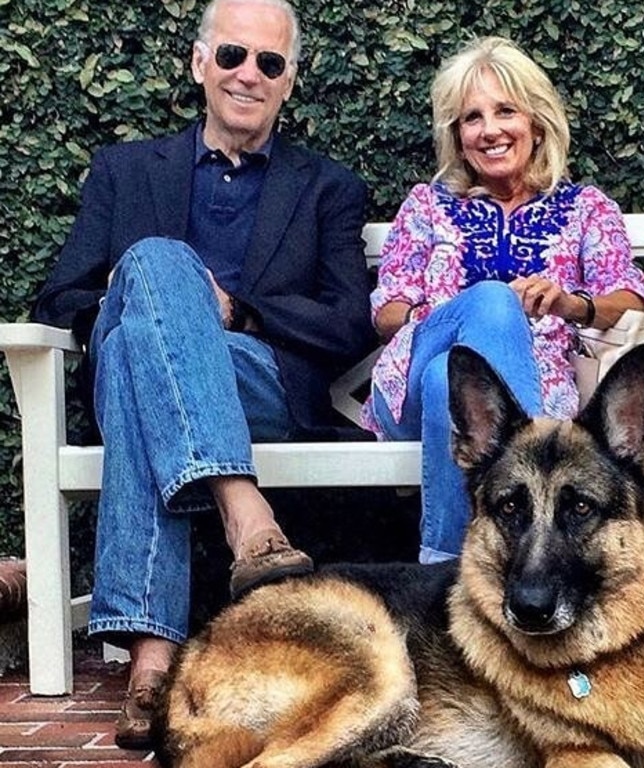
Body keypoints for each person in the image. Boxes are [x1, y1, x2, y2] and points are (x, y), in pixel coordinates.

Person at [32, 0, 373, 749]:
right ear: (198, 63)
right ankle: (242, 512)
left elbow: (349, 322)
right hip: (145, 377)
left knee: (138, 335)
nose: (248, 74)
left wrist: (240, 312)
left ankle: (150, 656)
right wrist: (151, 304)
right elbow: (61, 297)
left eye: (269, 63)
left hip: (262, 383)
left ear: (290, 82)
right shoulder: (124, 172)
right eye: (232, 56)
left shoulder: (327, 189)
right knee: (146, 298)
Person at [362, 36, 644, 564]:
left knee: (442, 382)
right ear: (458, 134)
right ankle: (522, 494)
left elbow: (630, 300)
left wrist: (570, 304)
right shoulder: (428, 204)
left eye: (504, 111)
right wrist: (465, 309)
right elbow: (386, 315)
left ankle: (445, 572)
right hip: (407, 374)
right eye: (472, 118)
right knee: (483, 312)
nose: (489, 130)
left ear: (536, 122)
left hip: (526, 393)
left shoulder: (584, 207)